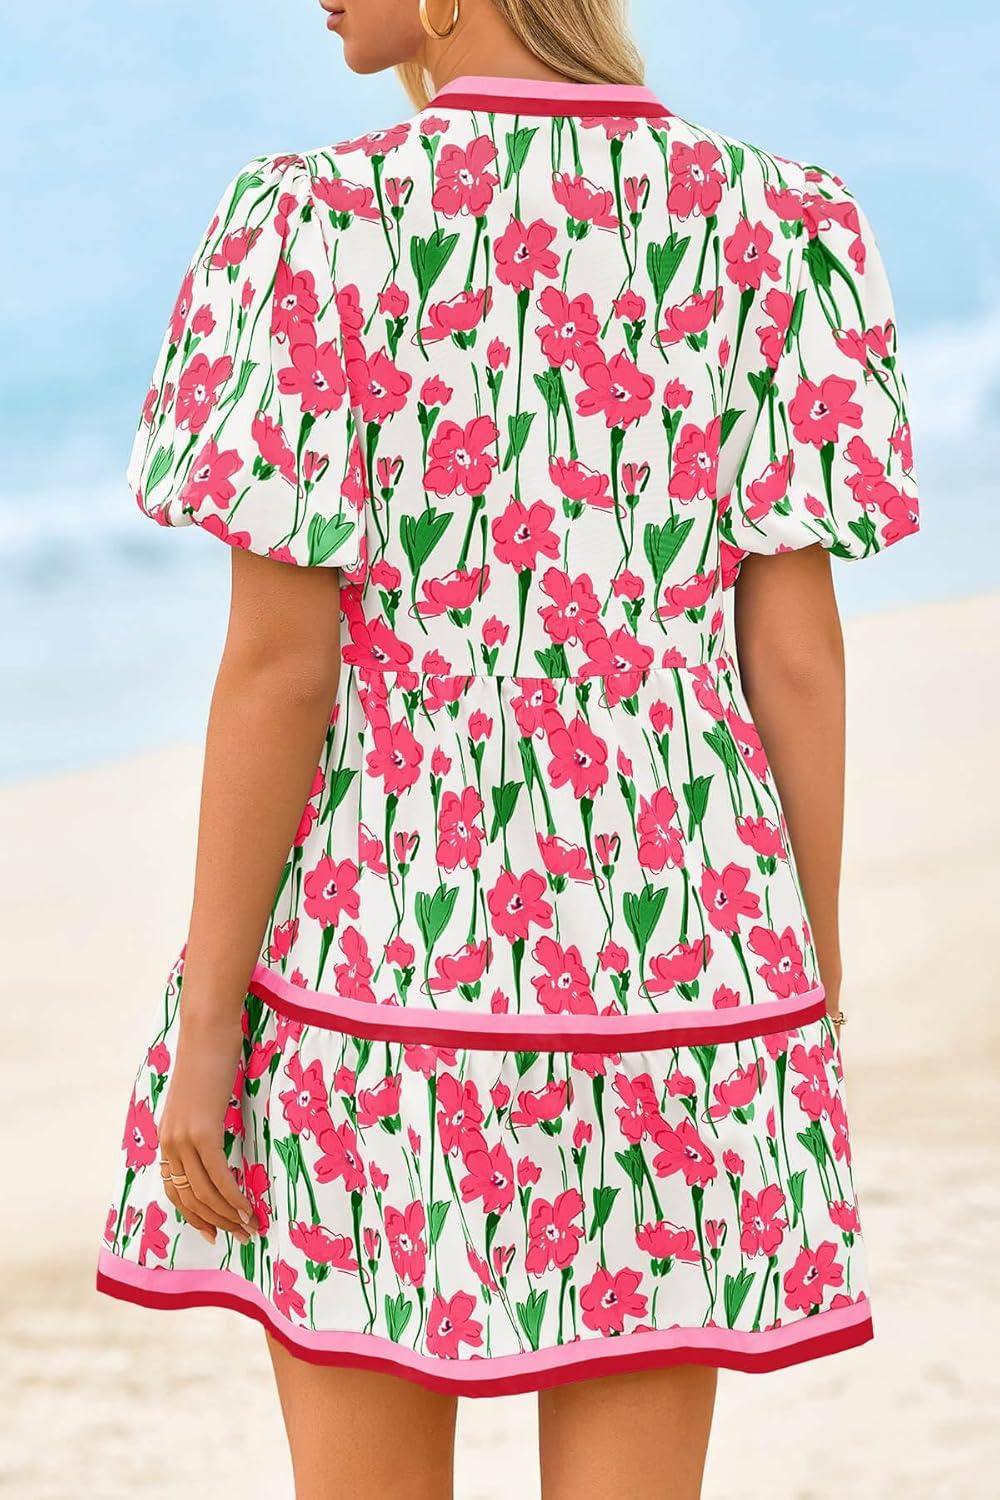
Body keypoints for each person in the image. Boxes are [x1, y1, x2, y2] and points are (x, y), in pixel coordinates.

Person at [97, 1, 921, 1495]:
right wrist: (807, 970)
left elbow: (282, 670)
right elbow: (796, 657)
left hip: (376, 985)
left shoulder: (314, 224)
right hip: (685, 987)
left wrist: (210, 1019)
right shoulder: (776, 219)